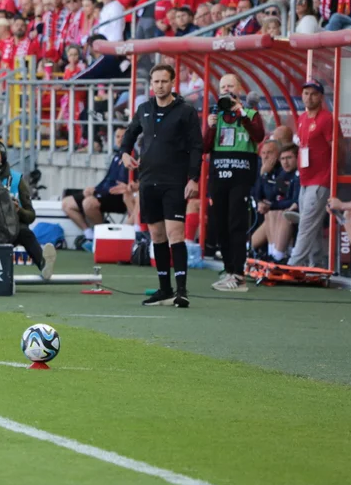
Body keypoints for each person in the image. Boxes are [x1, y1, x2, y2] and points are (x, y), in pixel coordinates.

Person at [120, 63, 202, 308]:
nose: (159, 86)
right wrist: (125, 152)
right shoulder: (144, 109)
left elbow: (197, 146)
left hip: (174, 181)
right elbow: (130, 133)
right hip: (148, 181)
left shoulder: (185, 111)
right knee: (156, 235)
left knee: (175, 234)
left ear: (172, 83)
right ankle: (164, 289)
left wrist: (193, 178)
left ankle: (182, 291)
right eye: (155, 82)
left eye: (164, 81)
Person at [204, 73, 265, 292]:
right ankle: (229, 270)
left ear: (239, 89)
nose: (227, 90)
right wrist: (210, 127)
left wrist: (241, 112)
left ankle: (239, 274)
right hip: (219, 177)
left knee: (236, 224)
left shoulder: (249, 113)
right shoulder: (216, 114)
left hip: (241, 176)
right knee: (220, 225)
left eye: (230, 86)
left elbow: (259, 135)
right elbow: (204, 147)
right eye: (223, 86)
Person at [0, 138, 57, 280]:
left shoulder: (16, 180)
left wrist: (18, 210)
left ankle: (44, 265)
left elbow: (31, 215)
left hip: (8, 231)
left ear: (2, 157)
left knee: (25, 233)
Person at [287, 82, 339, 268]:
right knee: (311, 225)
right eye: (306, 93)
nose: (309, 98)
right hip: (305, 179)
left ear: (321, 97)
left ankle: (294, 264)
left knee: (307, 224)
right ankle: (316, 265)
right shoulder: (302, 119)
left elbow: (337, 149)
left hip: (321, 179)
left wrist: (334, 177)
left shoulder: (327, 119)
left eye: (313, 94)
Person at [62, 127, 132, 249]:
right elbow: (107, 179)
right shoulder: (116, 156)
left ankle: (104, 236)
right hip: (103, 192)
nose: (120, 139)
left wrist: (97, 191)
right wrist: (93, 189)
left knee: (88, 203)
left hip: (118, 197)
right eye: (117, 137)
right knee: (67, 203)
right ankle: (89, 234)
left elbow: (121, 184)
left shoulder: (131, 156)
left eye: (123, 136)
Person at [251, 144, 301, 261]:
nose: (285, 162)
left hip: (301, 211)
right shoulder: (282, 174)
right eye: (283, 159)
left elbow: (294, 200)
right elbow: (267, 195)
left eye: (289, 158)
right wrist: (263, 175)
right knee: (270, 212)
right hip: (286, 210)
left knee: (279, 212)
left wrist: (271, 205)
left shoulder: (299, 173)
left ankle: (278, 255)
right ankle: (272, 252)